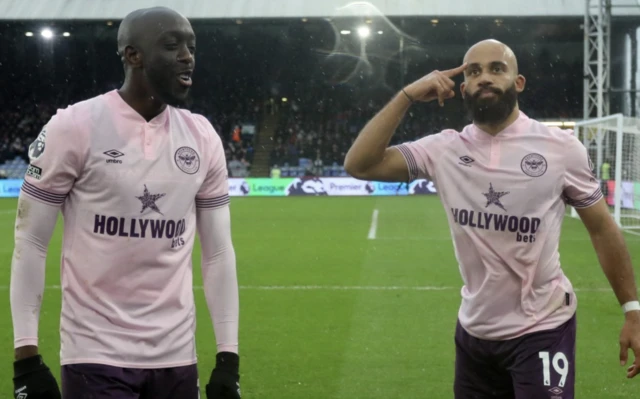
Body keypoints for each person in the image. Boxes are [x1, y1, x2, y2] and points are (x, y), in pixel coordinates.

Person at [344, 39, 640, 398]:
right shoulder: (442, 149)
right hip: (474, 333)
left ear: (518, 83)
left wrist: (632, 310)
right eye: (473, 71)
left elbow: (602, 229)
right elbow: (359, 164)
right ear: (463, 87)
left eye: (496, 69)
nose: (484, 77)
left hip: (542, 328)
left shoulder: (561, 149)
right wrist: (407, 95)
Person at [10, 7, 241, 399]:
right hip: (94, 355)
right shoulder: (75, 126)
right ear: (133, 55)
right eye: (172, 46)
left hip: (176, 356)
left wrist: (228, 359)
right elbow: (30, 242)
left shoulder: (202, 137)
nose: (187, 56)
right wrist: (26, 359)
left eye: (191, 46)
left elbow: (218, 253)